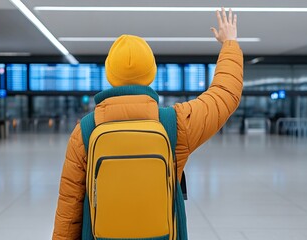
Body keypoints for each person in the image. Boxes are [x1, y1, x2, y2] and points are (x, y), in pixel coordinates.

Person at [53, 7, 243, 240]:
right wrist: (230, 44)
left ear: (110, 75)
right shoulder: (175, 124)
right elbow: (224, 95)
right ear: (151, 74)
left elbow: (69, 208)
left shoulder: (85, 130)